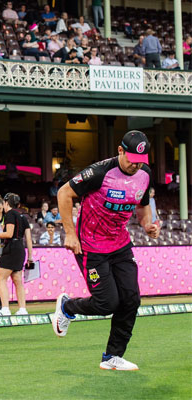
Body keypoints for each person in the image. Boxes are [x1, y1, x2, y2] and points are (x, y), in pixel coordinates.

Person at [52, 130, 159, 371]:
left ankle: (112, 357)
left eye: (140, 161)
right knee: (107, 303)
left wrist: (147, 225)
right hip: (90, 245)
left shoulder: (145, 174)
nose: (135, 165)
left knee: (131, 299)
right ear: (120, 151)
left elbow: (142, 208)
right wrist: (70, 233)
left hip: (120, 244)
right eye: (131, 158)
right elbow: (64, 193)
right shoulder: (100, 172)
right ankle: (67, 307)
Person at [0, 193, 32, 316]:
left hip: (11, 248)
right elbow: (28, 239)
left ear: (6, 203)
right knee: (18, 281)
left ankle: (5, 309)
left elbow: (9, 233)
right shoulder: (23, 217)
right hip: (20, 249)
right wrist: (30, 256)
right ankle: (22, 309)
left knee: (1, 278)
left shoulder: (10, 214)